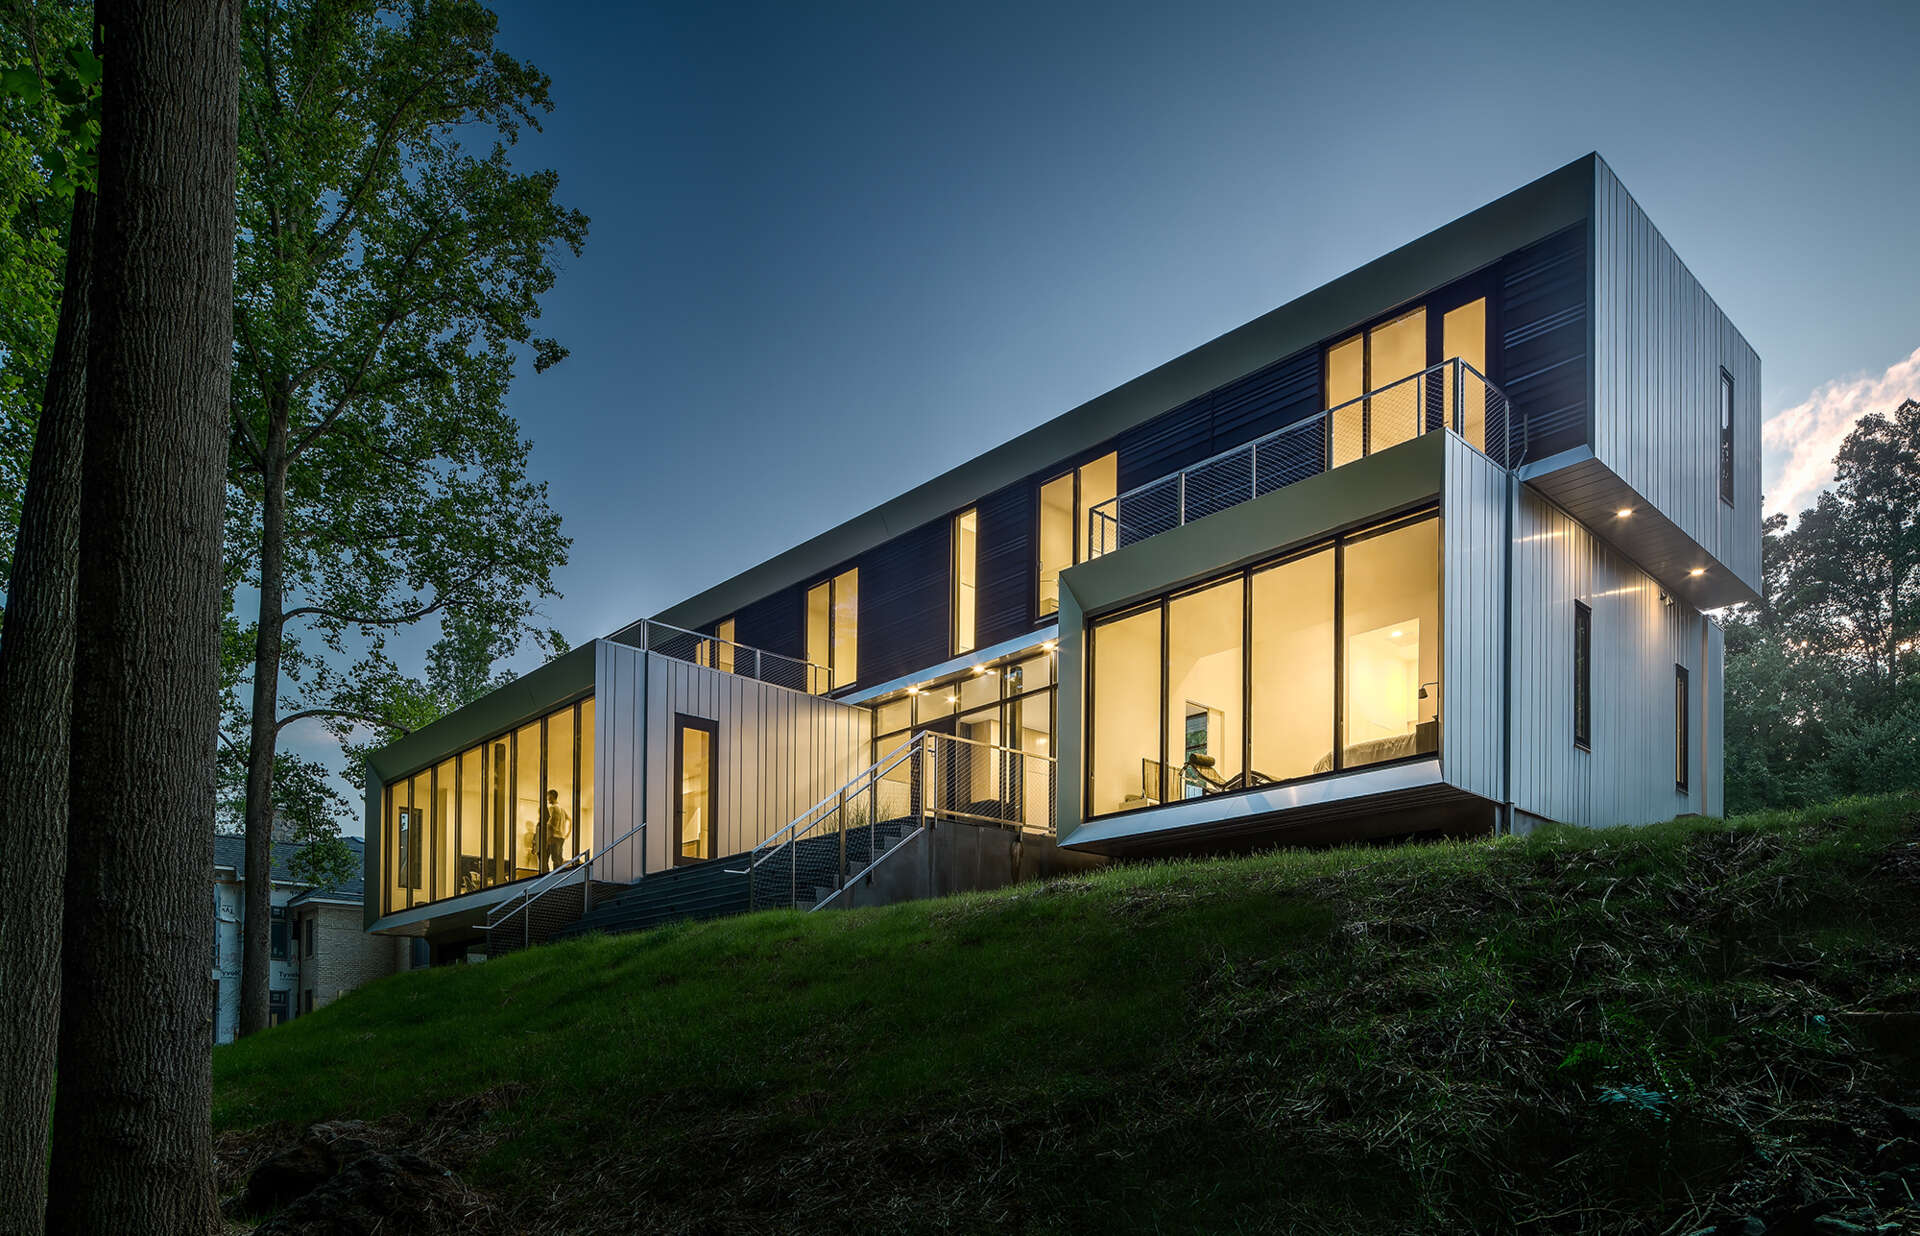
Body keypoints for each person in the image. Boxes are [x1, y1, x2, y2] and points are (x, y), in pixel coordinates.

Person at [543, 789, 570, 869]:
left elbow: (551, 824)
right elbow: (570, 820)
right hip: (561, 837)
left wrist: (548, 839)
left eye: (548, 796)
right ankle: (558, 876)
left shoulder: (553, 808)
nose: (547, 798)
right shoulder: (562, 809)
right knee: (558, 858)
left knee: (554, 859)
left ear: (552, 796)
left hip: (554, 837)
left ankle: (554, 878)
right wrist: (567, 833)